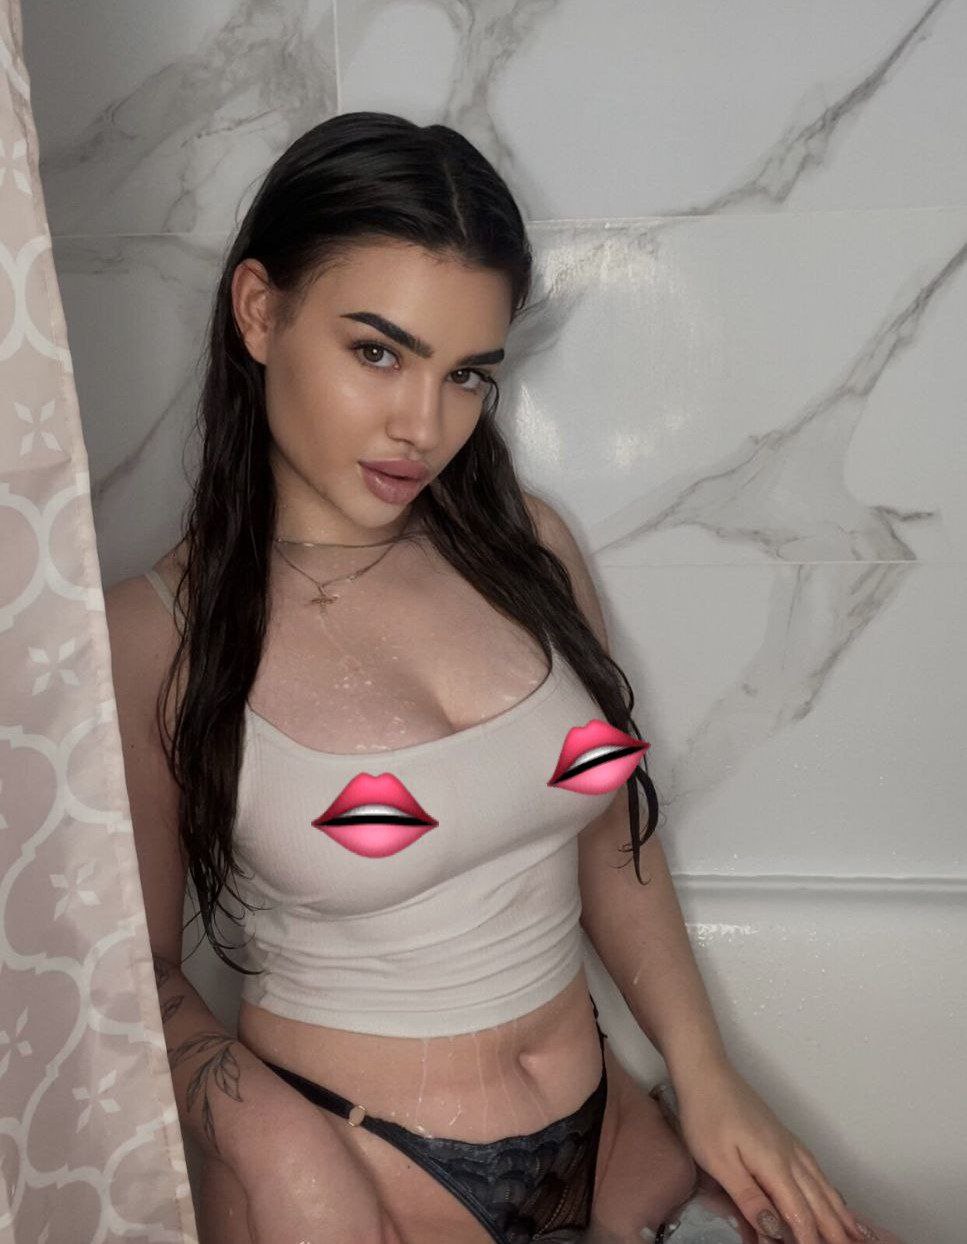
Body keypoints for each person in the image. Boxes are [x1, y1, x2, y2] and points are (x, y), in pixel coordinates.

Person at [105, 112, 898, 1244]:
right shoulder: (153, 636)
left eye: (467, 373)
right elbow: (130, 973)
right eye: (377, 352)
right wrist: (271, 1142)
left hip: (617, 1144)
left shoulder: (527, 547)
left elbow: (610, 834)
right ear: (260, 312)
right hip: (355, 1180)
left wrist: (707, 1074)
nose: (422, 425)